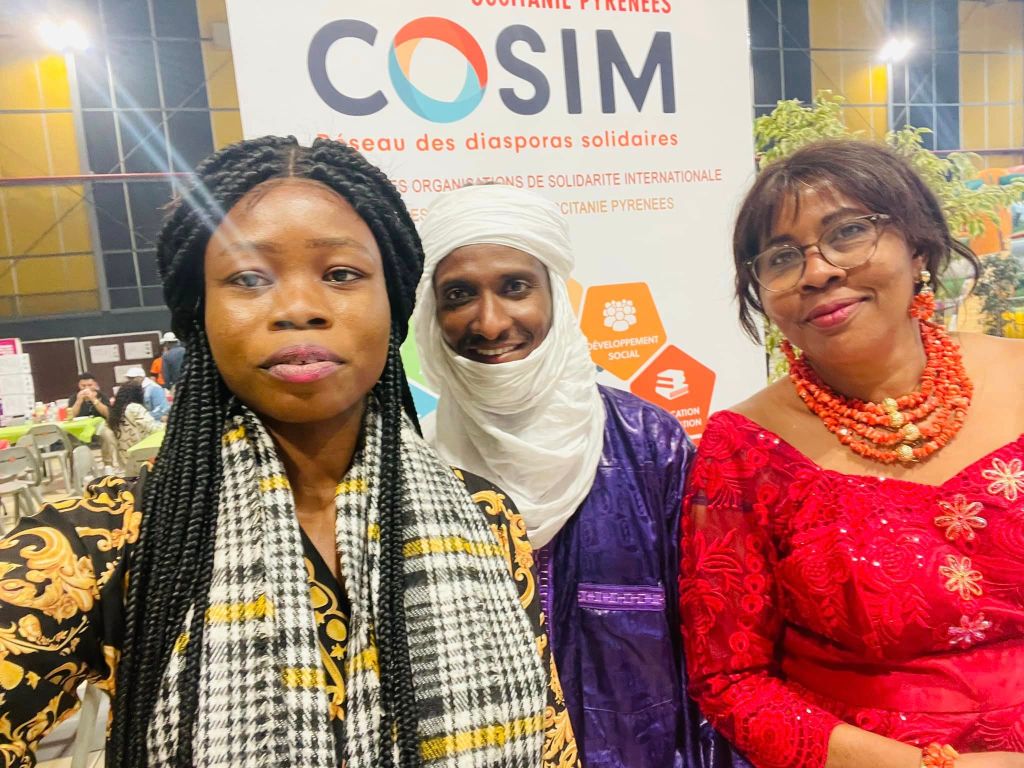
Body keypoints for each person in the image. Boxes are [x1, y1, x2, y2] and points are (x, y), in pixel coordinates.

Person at [0, 137, 573, 768]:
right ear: (200, 312)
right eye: (248, 278)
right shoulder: (99, 544)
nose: (299, 308)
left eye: (341, 274)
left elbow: (550, 746)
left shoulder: (486, 517)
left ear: (394, 304)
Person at [679, 140, 1024, 768]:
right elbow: (730, 680)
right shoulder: (745, 451)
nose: (817, 271)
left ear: (917, 246)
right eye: (782, 257)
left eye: (849, 232)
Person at [412, 184, 740, 768]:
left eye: (515, 287)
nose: (490, 322)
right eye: (459, 294)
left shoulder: (649, 445)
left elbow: (713, 652)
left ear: (555, 297)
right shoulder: (417, 462)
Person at [106, 380, 161, 474]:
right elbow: (154, 428)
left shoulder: (115, 412)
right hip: (145, 457)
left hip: (127, 460)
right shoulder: (134, 408)